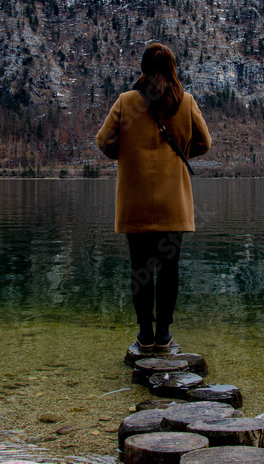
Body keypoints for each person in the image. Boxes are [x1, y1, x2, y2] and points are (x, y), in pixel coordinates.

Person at [96, 43, 211, 353]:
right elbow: (205, 143)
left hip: (135, 201)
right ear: (172, 66)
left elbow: (104, 142)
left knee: (140, 267)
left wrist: (127, 154)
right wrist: (182, 152)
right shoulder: (185, 102)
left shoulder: (127, 102)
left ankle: (144, 336)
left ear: (144, 67)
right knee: (169, 267)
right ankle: (164, 337)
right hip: (172, 201)